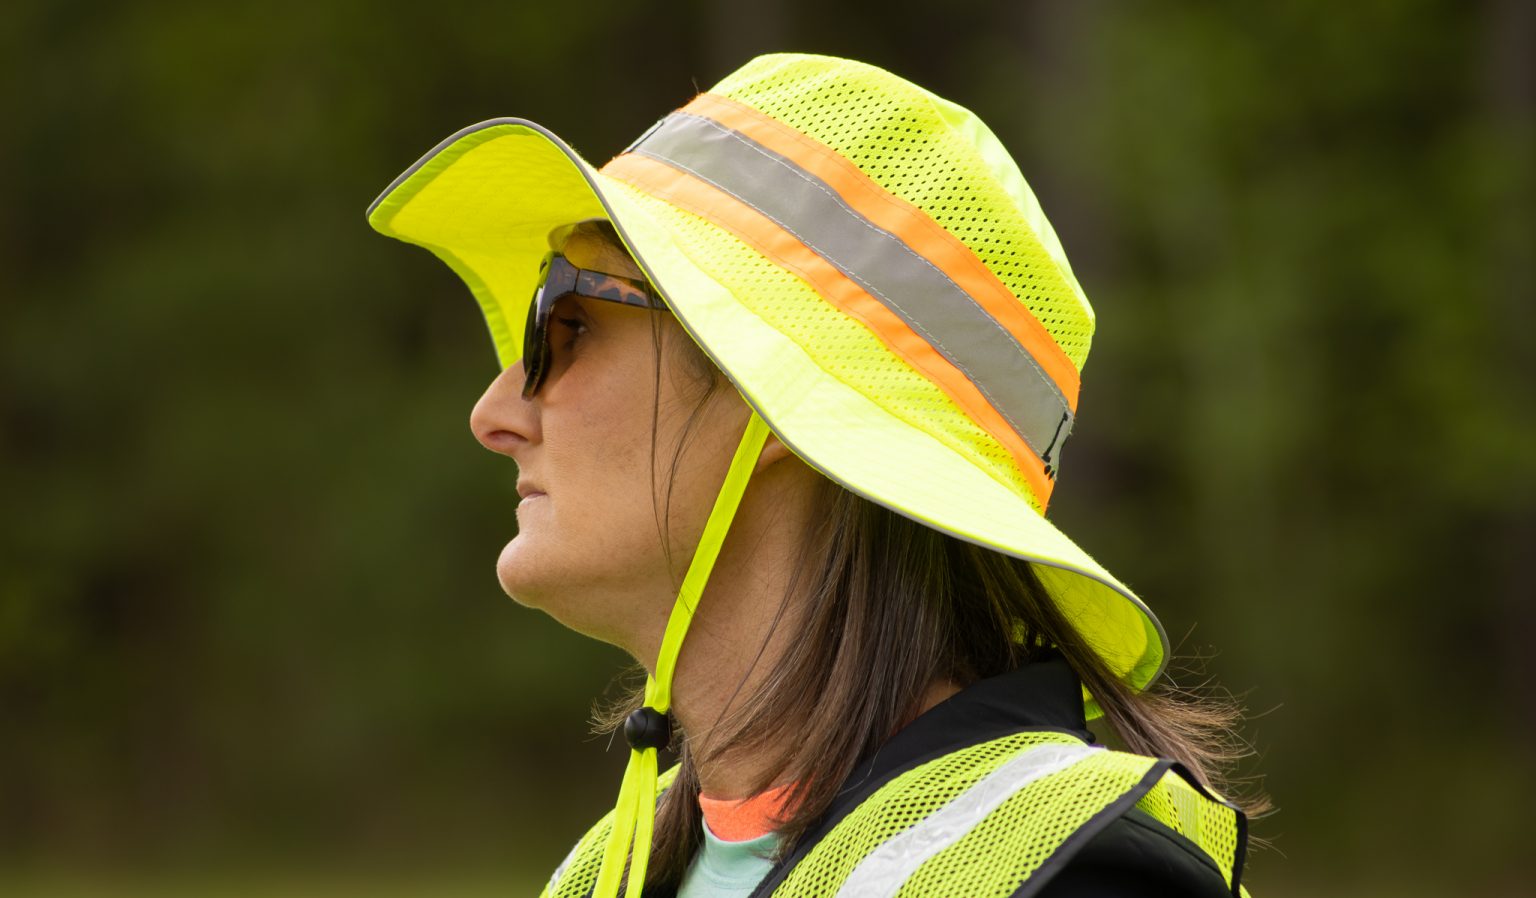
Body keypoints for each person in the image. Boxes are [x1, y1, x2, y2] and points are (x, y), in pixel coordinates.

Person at [368, 53, 1263, 898]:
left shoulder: (1070, 875)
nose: (494, 413)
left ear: (770, 396)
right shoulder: (612, 869)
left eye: (568, 325)